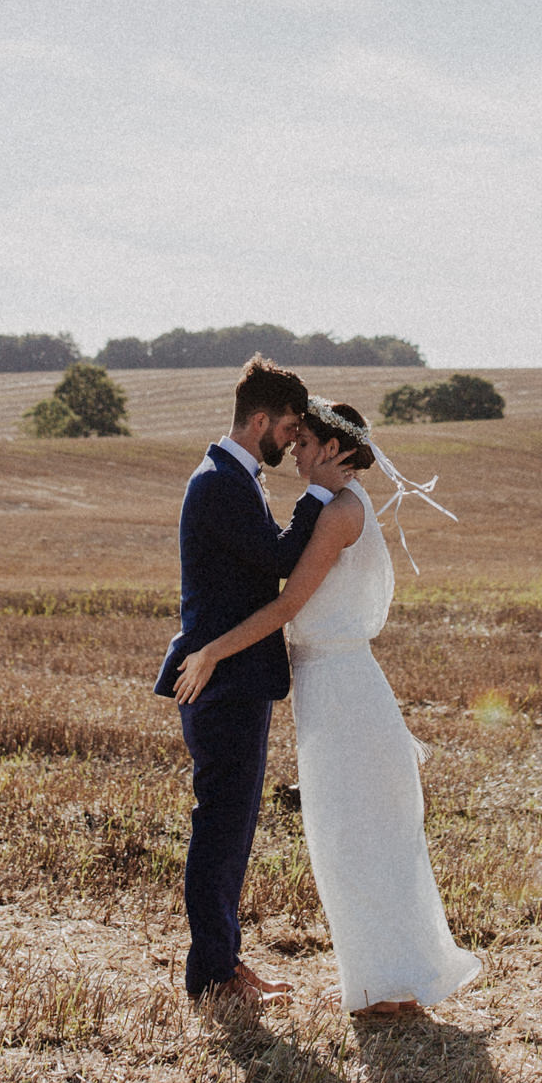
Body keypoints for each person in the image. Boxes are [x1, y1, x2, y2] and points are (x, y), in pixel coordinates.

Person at [173, 398, 480, 1021]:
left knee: (352, 838)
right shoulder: (344, 506)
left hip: (341, 692)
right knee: (354, 836)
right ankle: (383, 982)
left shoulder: (338, 512)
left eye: (307, 444)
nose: (296, 454)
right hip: (334, 688)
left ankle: (384, 988)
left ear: (337, 449)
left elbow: (286, 608)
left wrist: (210, 652)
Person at [156, 356, 325, 1005]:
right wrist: (320, 493)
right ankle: (215, 976)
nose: (291, 441)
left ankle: (224, 965)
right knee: (221, 832)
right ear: (260, 419)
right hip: (221, 684)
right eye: (287, 428)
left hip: (229, 681)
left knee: (230, 831)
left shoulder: (232, 477)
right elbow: (282, 559)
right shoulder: (222, 483)